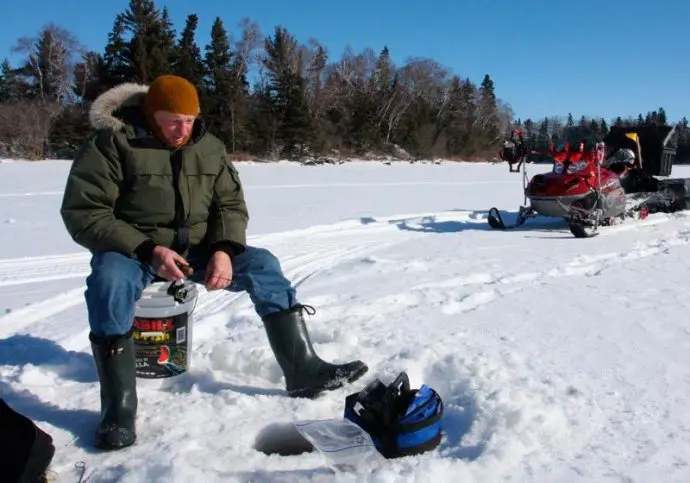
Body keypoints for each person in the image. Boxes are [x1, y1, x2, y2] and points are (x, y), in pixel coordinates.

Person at [59, 75, 369, 451]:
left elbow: (230, 204)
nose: (183, 129)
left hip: (199, 249)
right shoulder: (111, 144)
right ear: (149, 113)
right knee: (109, 284)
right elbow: (86, 212)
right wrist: (147, 250)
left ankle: (303, 370)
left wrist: (224, 248)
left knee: (263, 266)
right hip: (132, 250)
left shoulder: (209, 146)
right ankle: (118, 408)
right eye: (173, 120)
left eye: (189, 120)